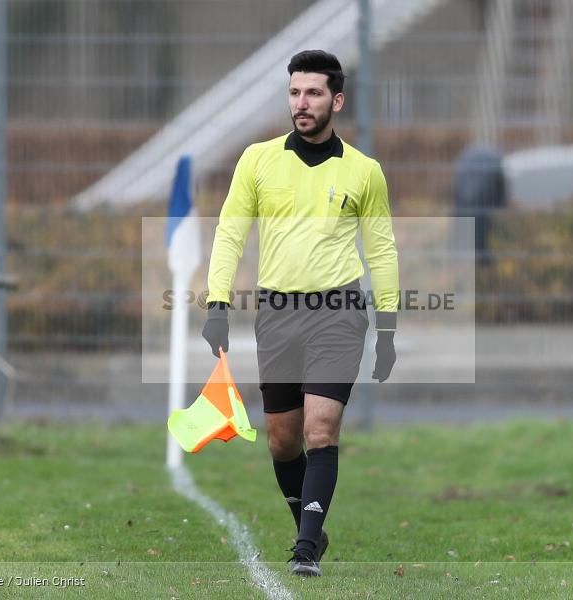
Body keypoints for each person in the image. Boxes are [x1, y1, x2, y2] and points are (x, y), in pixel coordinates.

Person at [201, 49, 399, 577]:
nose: (301, 103)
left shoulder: (364, 172)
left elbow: (380, 250)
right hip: (277, 314)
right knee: (283, 439)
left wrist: (387, 326)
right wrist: (217, 303)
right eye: (294, 93)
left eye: (312, 93)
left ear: (336, 100)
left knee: (320, 429)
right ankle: (308, 522)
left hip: (338, 312)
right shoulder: (257, 160)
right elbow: (229, 233)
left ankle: (306, 545)